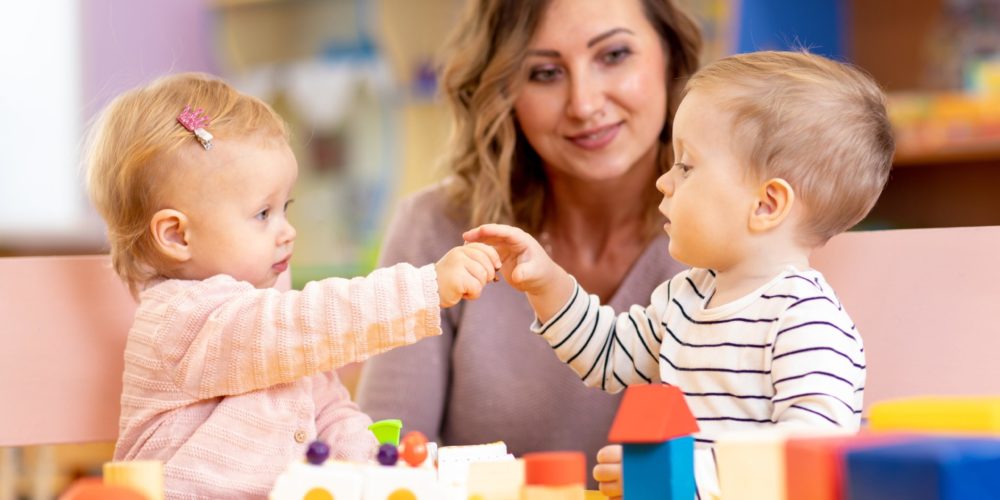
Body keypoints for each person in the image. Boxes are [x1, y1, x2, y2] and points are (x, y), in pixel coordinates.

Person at [464, 50, 894, 498]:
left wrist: (674, 476)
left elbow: (811, 458)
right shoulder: (684, 297)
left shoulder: (806, 322)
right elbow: (609, 354)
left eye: (686, 166)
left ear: (767, 205)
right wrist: (547, 282)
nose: (663, 181)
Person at [84, 72, 501, 498]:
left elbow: (333, 415)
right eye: (263, 214)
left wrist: (384, 474)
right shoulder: (180, 321)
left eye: (286, 207)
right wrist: (423, 289)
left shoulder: (273, 325)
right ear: (176, 235)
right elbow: (300, 325)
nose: (288, 231)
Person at [355, 0, 702, 486]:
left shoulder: (749, 236)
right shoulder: (434, 228)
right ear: (504, 91)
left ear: (671, 57)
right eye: (544, 72)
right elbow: (380, 467)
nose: (584, 103)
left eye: (614, 55)